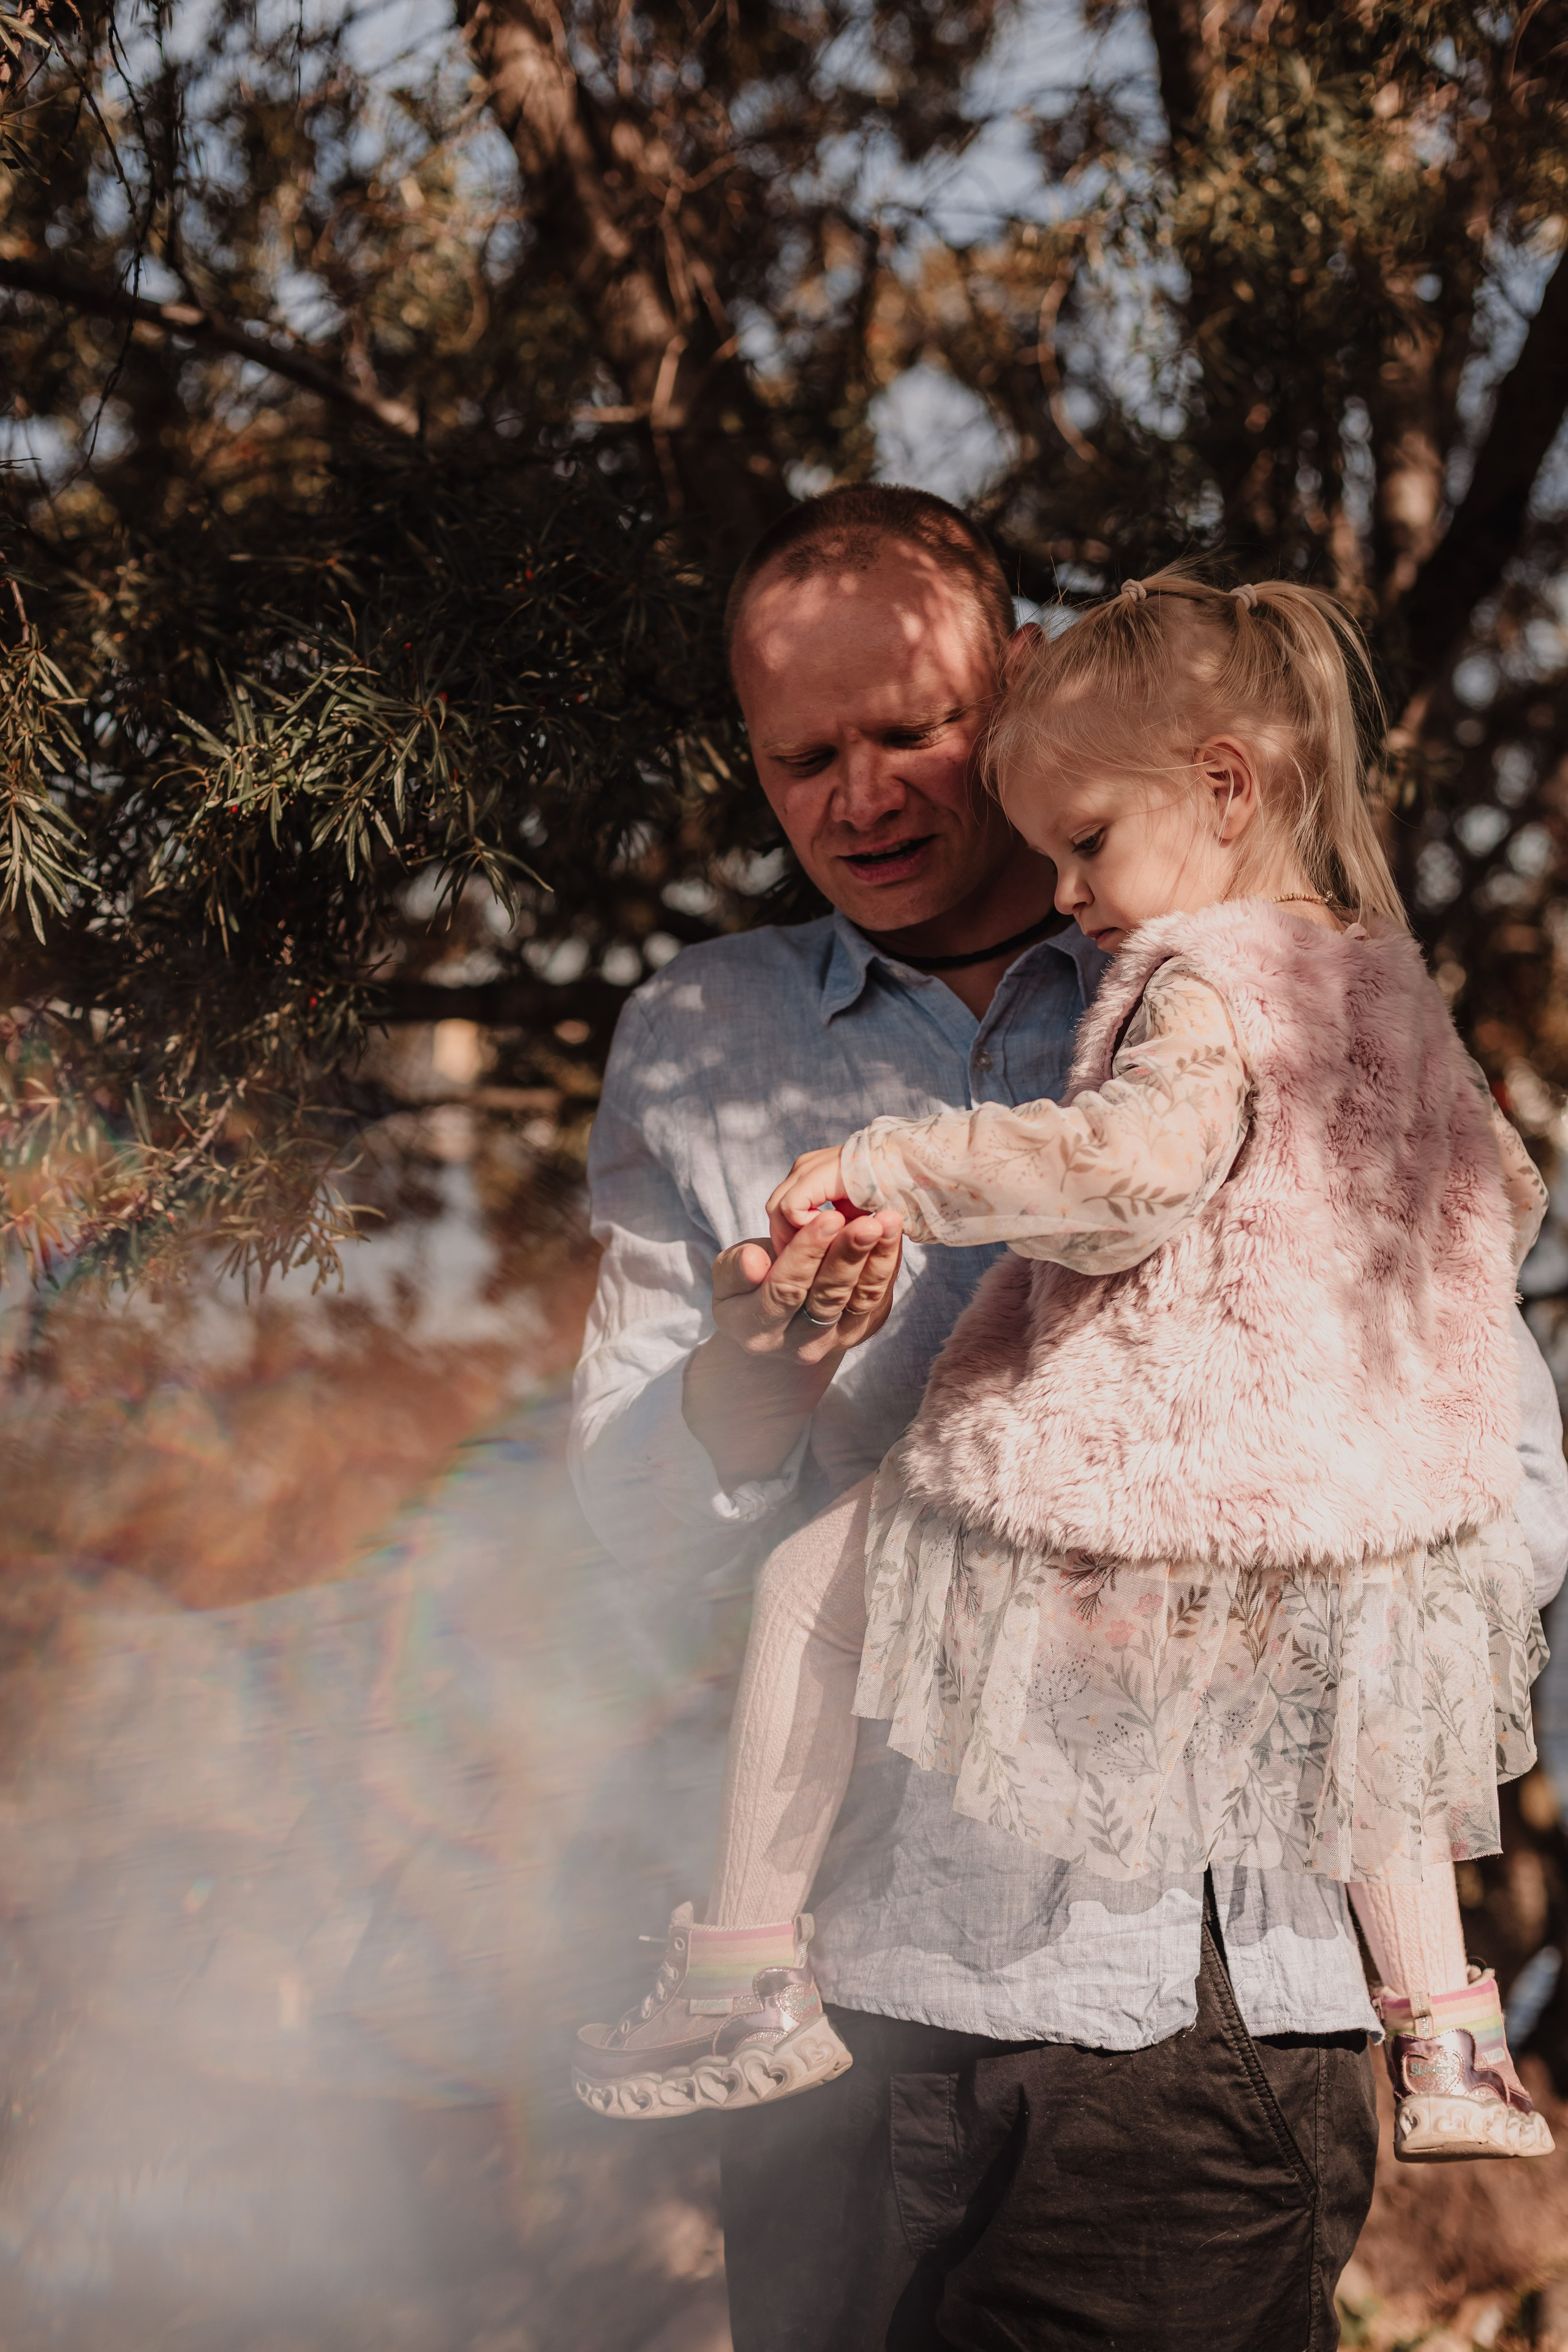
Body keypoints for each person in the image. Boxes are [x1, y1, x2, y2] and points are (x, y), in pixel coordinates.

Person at [569, 497, 1568, 2351]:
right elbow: (629, 1549)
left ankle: (1443, 2028)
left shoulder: (1266, 983)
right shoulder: (705, 1036)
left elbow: (1504, 1484)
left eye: (907, 734)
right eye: (803, 758)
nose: (857, 794)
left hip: (1182, 2018)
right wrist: (757, 1388)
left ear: (1022, 683)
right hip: (845, 2021)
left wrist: (1227, 1585)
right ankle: (734, 1977)